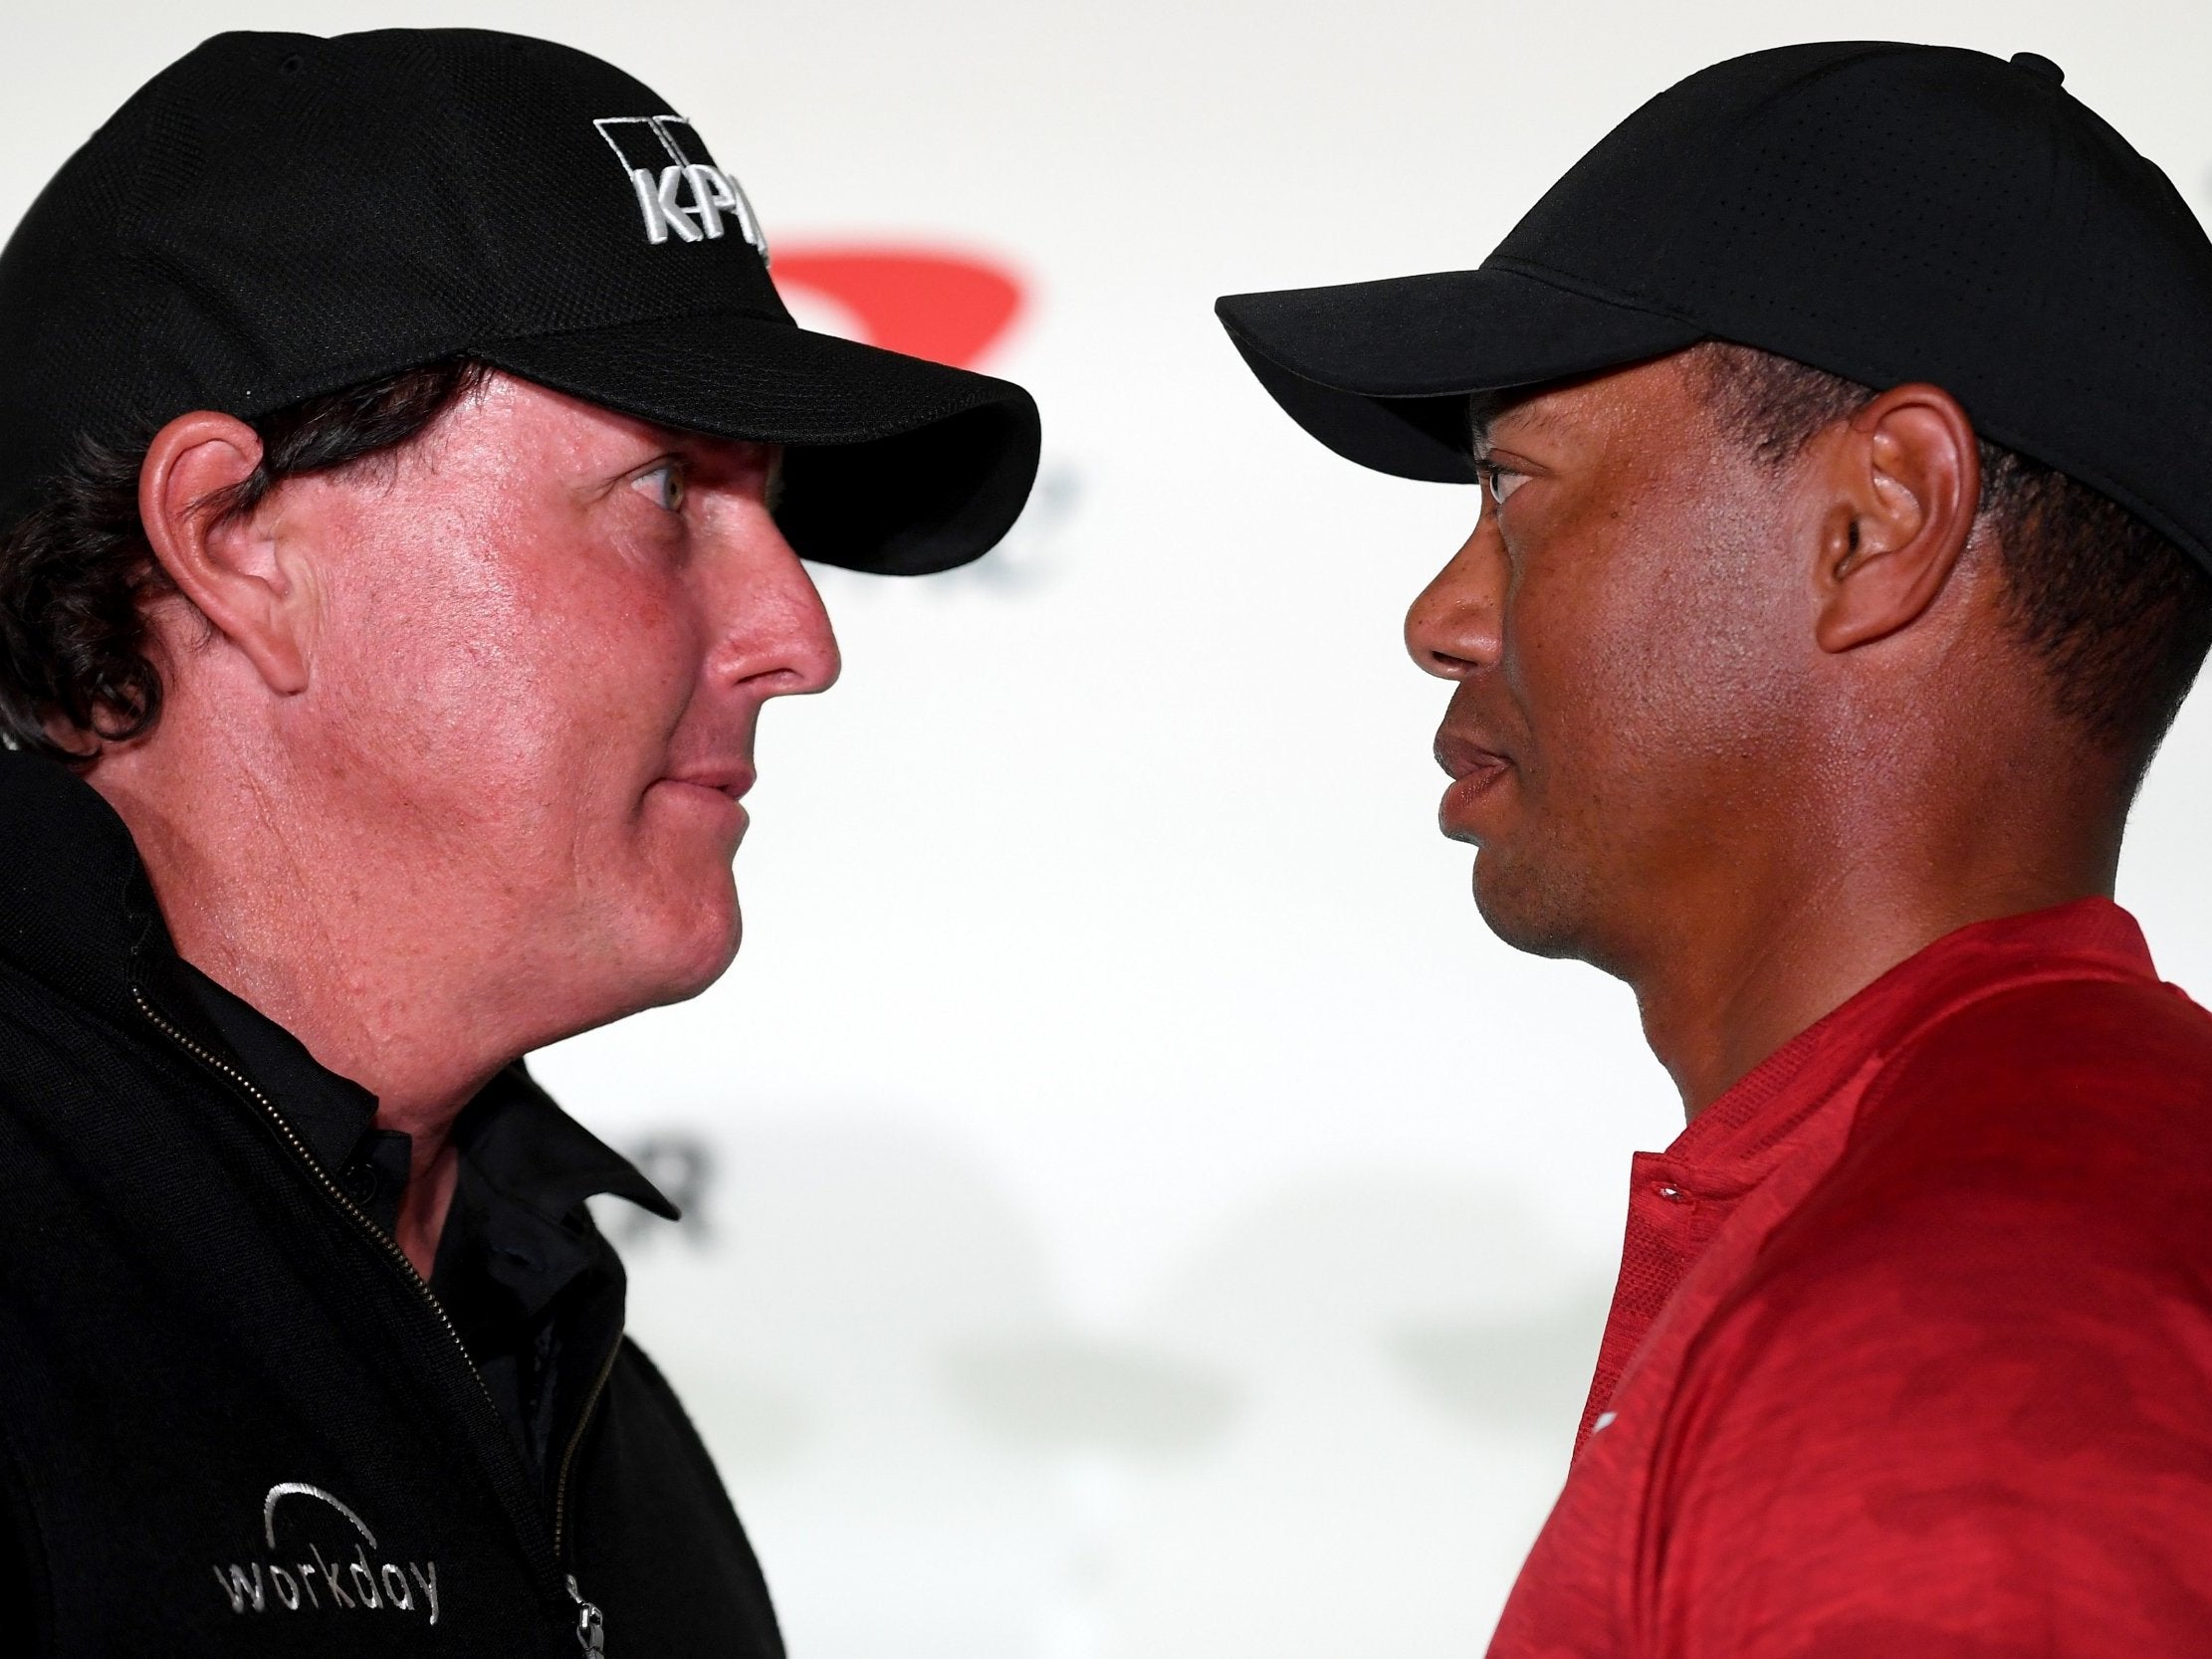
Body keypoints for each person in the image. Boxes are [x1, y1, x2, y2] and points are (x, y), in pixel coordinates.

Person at [0, 28, 1037, 1657]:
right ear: (234, 544)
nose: (798, 634)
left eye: (769, 504)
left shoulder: (554, 1344)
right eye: (666, 491)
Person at [1218, 41, 2212, 1656]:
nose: (1442, 615)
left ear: (1876, 524)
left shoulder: (1968, 1323)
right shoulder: (1994, 1197)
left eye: (1513, 488)